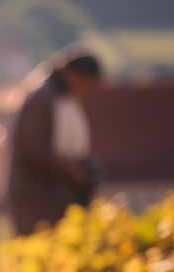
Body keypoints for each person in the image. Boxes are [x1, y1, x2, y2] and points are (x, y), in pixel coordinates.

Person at [6, 50, 104, 235]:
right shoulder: (42, 99)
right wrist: (70, 170)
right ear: (73, 75)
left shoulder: (64, 99)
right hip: (39, 199)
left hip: (57, 195)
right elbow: (33, 150)